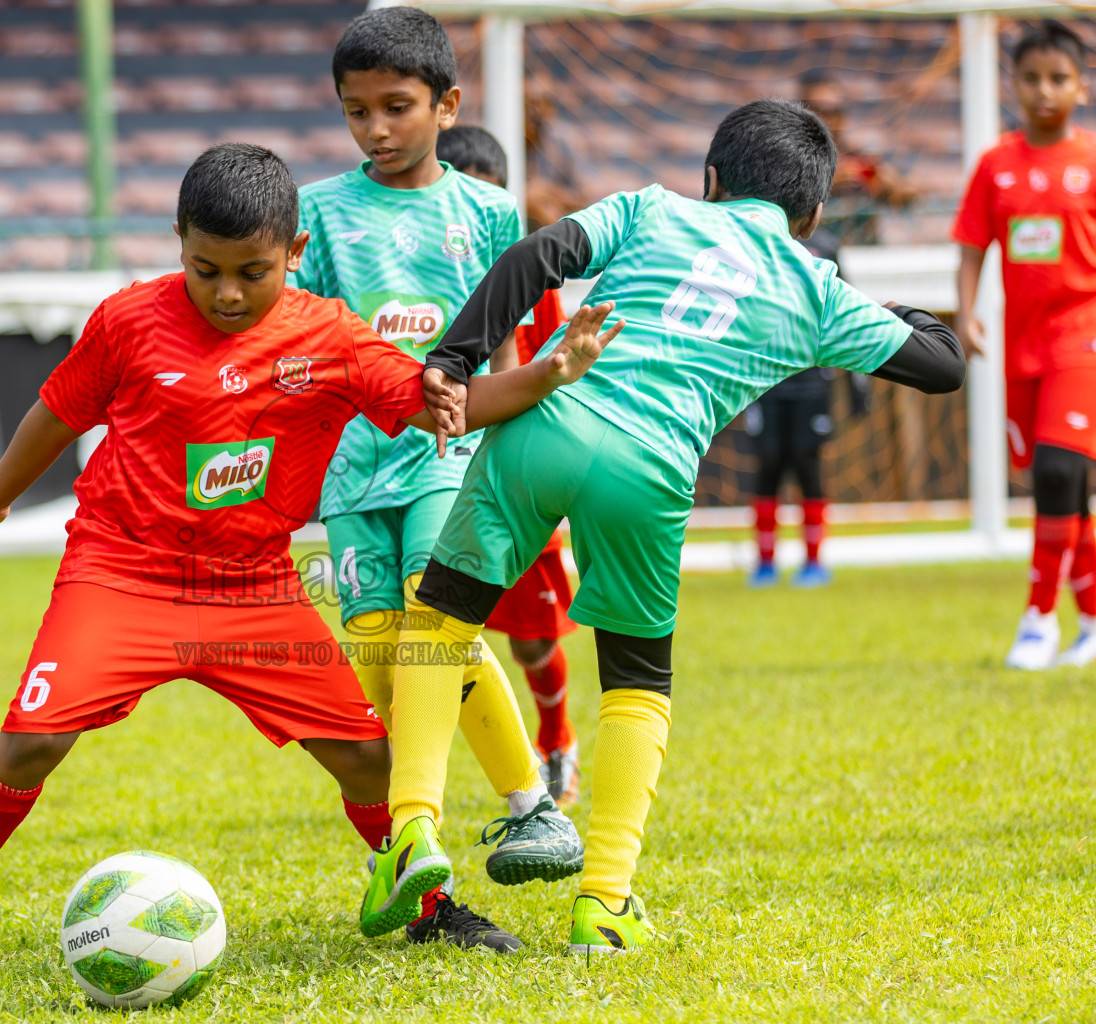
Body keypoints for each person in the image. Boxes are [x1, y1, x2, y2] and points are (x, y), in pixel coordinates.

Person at [0, 143, 620, 980]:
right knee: (30, 742)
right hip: (121, 575)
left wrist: (553, 371)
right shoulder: (126, 320)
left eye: (251, 272)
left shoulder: (330, 339)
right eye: (204, 268)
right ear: (177, 241)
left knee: (369, 757)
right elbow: (56, 413)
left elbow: (457, 407)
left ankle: (428, 907)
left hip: (252, 587)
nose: (226, 292)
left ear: (295, 254)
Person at [363, 99, 964, 955]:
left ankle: (415, 831)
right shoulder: (816, 288)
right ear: (815, 215)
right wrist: (873, 304)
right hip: (646, 473)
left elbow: (538, 255)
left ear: (711, 181)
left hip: (550, 420)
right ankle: (605, 903)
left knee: (442, 616)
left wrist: (454, 358)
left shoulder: (653, 207)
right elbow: (941, 366)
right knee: (637, 681)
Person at [293, 10, 587, 944]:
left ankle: (516, 801)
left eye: (396, 107)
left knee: (436, 620)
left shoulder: (491, 211)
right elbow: (310, 339)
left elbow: (497, 346)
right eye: (356, 112)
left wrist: (500, 430)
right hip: (351, 468)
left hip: (445, 456)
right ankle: (500, 815)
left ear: (446, 104)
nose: (375, 128)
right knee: (383, 653)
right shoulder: (322, 211)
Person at [436, 123, 582, 805]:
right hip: (429, 472)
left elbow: (558, 366)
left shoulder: (529, 273)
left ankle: (557, 741)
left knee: (529, 643)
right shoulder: (415, 276)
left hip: (512, 472)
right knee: (424, 628)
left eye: (488, 200)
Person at [955, 21, 1096, 669]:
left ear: (1082, 86)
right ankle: (1092, 620)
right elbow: (973, 244)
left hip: (1084, 335)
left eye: (1059, 78)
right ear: (1013, 84)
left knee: (1058, 470)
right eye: (1033, 78)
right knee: (1070, 485)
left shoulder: (1090, 161)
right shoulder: (997, 164)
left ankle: (1038, 618)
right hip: (1022, 343)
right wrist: (967, 313)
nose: (1046, 91)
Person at [742, 227, 869, 588]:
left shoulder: (827, 247)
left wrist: (857, 378)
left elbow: (847, 308)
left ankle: (814, 562)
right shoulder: (759, 241)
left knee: (806, 462)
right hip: (764, 379)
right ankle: (765, 564)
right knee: (768, 463)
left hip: (813, 379)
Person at [799, 70, 917, 244]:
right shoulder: (791, 162)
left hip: (863, 255)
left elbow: (909, 196)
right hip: (813, 255)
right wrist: (828, 183)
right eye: (821, 110)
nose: (830, 119)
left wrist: (888, 186)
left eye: (836, 111)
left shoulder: (859, 160)